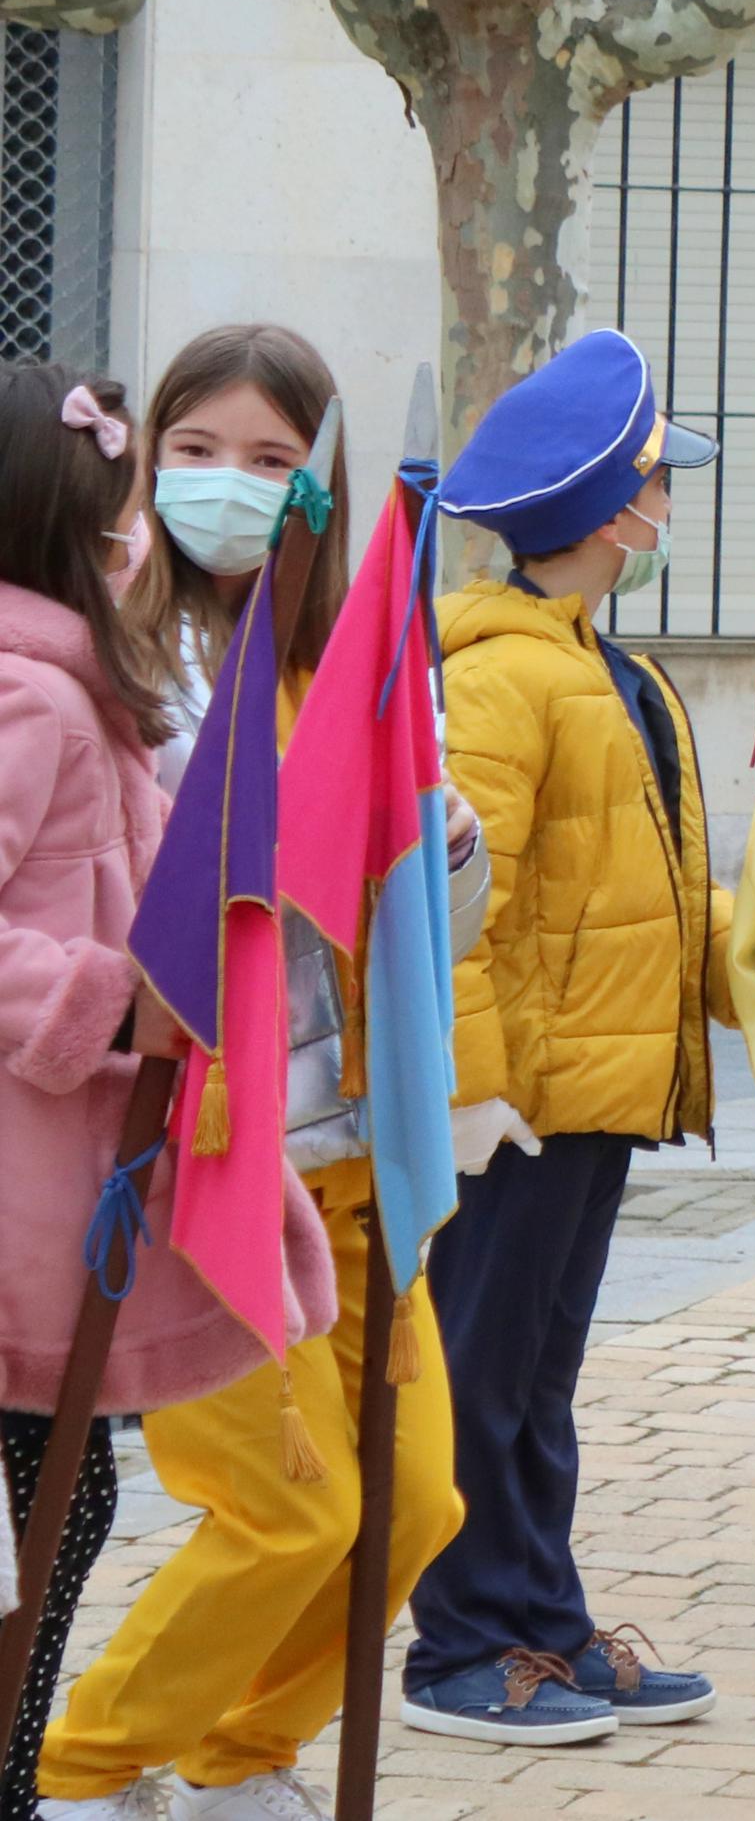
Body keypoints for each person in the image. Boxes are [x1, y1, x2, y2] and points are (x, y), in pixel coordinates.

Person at [39, 329, 474, 1821]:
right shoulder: (108, 666)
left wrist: (436, 840)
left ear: (321, 485)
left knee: (416, 1505)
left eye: (275, 459)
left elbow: (420, 925)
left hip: (357, 1150)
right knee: (291, 1508)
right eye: (199, 450)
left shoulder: (349, 661)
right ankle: (84, 1763)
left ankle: (239, 1755)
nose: (232, 484)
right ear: (143, 463)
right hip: (206, 1155)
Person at [2, 367, 335, 1821]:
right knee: (43, 1529)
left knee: (59, 1519)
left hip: (67, 1191)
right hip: (26, 1186)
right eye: (123, 492)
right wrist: (104, 997)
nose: (141, 524)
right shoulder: (33, 696)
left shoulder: (84, 687)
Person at [411, 329, 732, 1742]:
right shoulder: (498, 675)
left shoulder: (618, 668)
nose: (670, 505)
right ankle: (462, 1645)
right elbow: (450, 902)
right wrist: (473, 1087)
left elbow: (640, 881)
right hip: (521, 1098)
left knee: (536, 1376)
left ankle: (542, 1616)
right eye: (659, 482)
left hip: (598, 1087)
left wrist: (751, 950)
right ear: (611, 511)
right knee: (479, 1375)